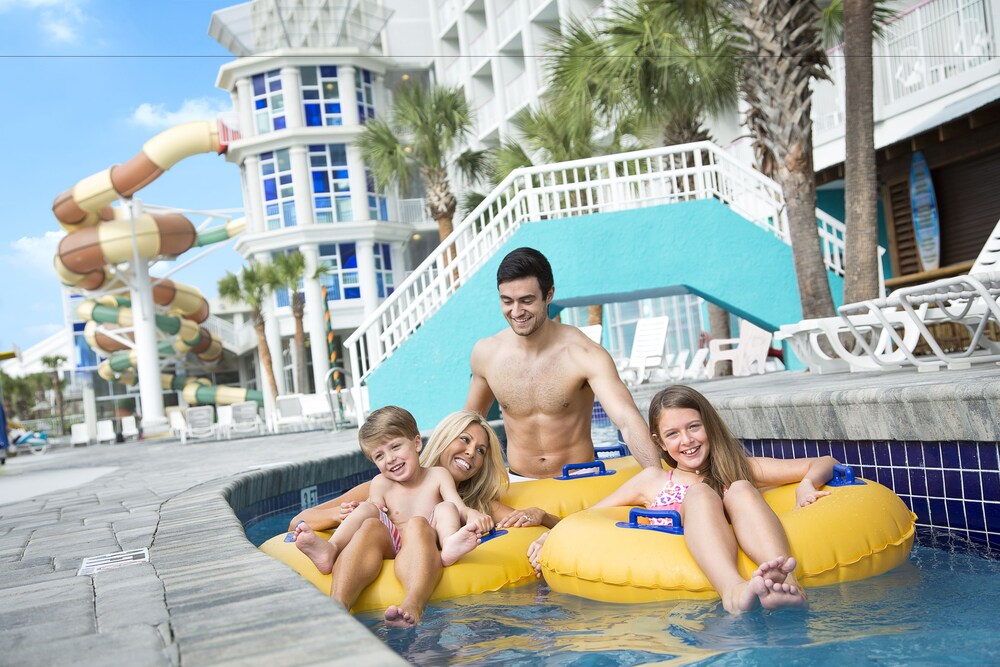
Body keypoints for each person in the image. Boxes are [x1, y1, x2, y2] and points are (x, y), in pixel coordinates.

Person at [529, 385, 837, 614]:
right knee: (700, 493)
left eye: (694, 427)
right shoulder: (653, 480)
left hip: (751, 539)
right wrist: (549, 537)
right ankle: (733, 591)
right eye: (673, 434)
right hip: (681, 571)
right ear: (659, 442)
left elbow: (824, 461)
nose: (687, 441)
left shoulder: (739, 469)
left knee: (741, 487)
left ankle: (787, 582)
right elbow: (588, 519)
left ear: (709, 426)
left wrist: (807, 484)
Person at [294, 409, 556, 628]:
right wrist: (338, 514)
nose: (471, 453)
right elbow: (299, 521)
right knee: (370, 524)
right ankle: (337, 605)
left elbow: (560, 527)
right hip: (380, 542)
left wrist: (541, 514)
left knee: (419, 524)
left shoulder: (480, 503)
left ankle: (412, 604)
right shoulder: (385, 482)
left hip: (428, 560)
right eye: (464, 440)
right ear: (442, 439)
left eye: (481, 451)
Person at [465, 247, 661, 479]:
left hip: (580, 479)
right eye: (507, 301)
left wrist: (656, 476)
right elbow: (469, 423)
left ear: (549, 295)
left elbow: (627, 420)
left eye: (526, 300)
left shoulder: (583, 353)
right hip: (519, 480)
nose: (516, 311)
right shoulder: (486, 354)